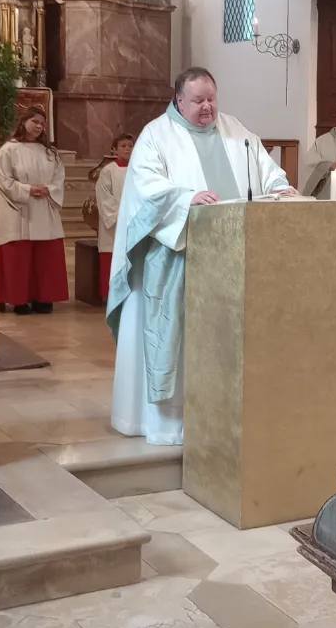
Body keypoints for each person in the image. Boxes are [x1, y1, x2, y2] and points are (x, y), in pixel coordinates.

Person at [107, 67, 297, 445]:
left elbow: (266, 169)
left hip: (235, 256)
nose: (207, 107)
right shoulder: (156, 135)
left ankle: (226, 415)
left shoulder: (235, 130)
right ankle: (172, 423)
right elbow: (145, 189)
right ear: (179, 100)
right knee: (180, 344)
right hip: (178, 257)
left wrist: (280, 187)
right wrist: (185, 198)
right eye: (198, 101)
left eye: (211, 98)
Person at [0, 108, 68, 314]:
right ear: (23, 122)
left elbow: (59, 177)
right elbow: (3, 180)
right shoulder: (8, 150)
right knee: (19, 257)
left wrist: (49, 189)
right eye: (35, 121)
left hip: (44, 205)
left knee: (45, 257)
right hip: (19, 209)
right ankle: (19, 300)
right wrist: (28, 190)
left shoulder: (50, 153)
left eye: (42, 123)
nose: (39, 126)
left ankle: (43, 297)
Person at [95, 133, 134, 303]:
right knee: (112, 259)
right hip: (114, 224)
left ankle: (132, 296)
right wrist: (121, 215)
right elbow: (104, 197)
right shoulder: (108, 171)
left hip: (135, 221)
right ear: (114, 150)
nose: (127, 149)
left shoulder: (139, 169)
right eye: (123, 146)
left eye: (130, 146)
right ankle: (111, 296)